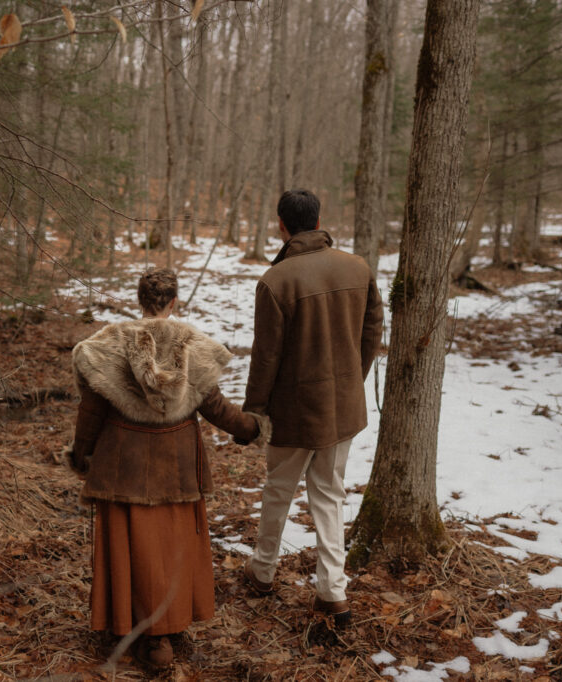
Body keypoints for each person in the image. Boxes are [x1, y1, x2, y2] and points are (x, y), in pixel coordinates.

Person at [67, 268, 269, 669]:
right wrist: (253, 428)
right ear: (175, 301)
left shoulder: (107, 345)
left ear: (139, 299)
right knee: (172, 545)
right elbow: (215, 408)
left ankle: (131, 628)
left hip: (122, 464)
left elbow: (91, 411)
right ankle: (165, 633)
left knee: (130, 544)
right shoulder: (193, 345)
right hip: (175, 466)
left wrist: (80, 454)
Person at [240, 189, 384, 629]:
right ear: (318, 220)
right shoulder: (357, 267)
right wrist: (350, 382)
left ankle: (263, 572)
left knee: (279, 488)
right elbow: (373, 328)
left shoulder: (276, 280)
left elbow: (266, 357)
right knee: (329, 494)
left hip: (294, 410)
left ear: (282, 225)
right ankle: (333, 592)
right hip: (341, 407)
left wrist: (254, 412)